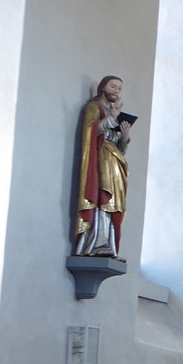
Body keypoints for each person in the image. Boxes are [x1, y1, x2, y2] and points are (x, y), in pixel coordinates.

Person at [74, 75, 134, 258]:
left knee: (114, 204)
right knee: (102, 199)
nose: (116, 91)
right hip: (99, 160)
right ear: (102, 88)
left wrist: (124, 138)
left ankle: (109, 244)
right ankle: (96, 242)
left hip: (114, 162)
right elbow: (90, 131)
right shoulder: (94, 107)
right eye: (113, 86)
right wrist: (111, 118)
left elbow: (118, 148)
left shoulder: (111, 112)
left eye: (119, 88)